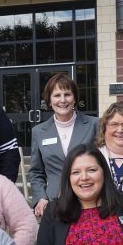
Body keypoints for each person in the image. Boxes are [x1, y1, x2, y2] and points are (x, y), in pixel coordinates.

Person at [27, 72, 98, 218]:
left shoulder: (94, 125)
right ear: (49, 100)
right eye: (57, 95)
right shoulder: (39, 132)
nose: (63, 100)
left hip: (91, 200)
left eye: (67, 94)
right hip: (54, 204)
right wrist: (41, 197)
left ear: (75, 98)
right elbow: (36, 172)